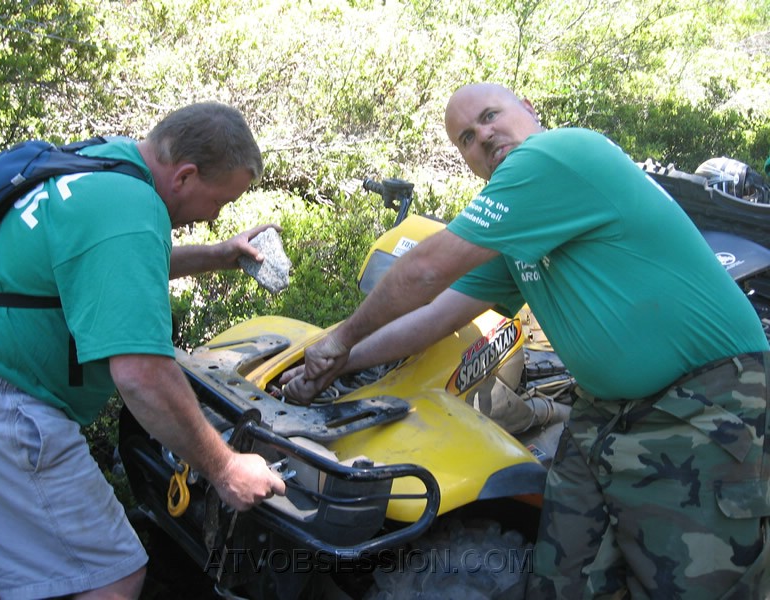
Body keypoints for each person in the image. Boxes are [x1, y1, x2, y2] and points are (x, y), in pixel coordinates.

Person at [282, 83, 770, 599]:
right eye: (467, 137)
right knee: (564, 578)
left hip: (704, 402)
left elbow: (424, 269)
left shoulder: (556, 154)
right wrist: (341, 363)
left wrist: (339, 338)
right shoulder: (522, 225)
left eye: (490, 116)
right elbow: (437, 315)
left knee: (696, 584)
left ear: (529, 110)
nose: (484, 136)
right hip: (604, 413)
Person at [0, 102, 287, 600]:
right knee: (113, 577)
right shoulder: (132, 209)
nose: (214, 216)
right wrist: (225, 468)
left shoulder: (103, 162)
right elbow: (141, 373)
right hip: (3, 411)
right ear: (184, 175)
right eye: (220, 201)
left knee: (30, 563)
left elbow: (109, 263)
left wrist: (221, 254)